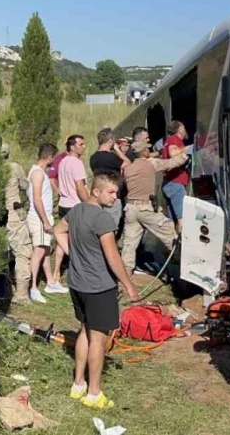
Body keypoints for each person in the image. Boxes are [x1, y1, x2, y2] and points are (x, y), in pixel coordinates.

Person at [52, 173, 140, 410]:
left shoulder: (77, 210)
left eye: (117, 193)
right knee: (98, 340)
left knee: (84, 331)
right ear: (96, 191)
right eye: (111, 192)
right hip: (99, 286)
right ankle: (94, 393)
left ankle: (78, 384)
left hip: (77, 283)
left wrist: (72, 254)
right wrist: (129, 285)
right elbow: (113, 257)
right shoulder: (102, 219)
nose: (115, 197)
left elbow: (57, 230)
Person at [119, 139, 188, 273]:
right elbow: (172, 163)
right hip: (146, 209)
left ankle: (124, 275)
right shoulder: (151, 164)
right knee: (170, 234)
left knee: (129, 245)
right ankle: (179, 263)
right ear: (144, 151)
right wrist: (186, 154)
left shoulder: (128, 169)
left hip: (130, 209)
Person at [27, 144, 64, 302]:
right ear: (49, 157)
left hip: (45, 216)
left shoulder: (40, 172)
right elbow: (37, 199)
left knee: (46, 250)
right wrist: (45, 221)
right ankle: (33, 287)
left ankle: (50, 281)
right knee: (39, 252)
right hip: (39, 217)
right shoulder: (37, 173)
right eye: (53, 158)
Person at [54, 135, 89, 289]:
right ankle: (79, 273)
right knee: (78, 241)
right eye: (81, 144)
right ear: (73, 147)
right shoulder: (76, 163)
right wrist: (89, 203)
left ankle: (56, 273)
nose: (84, 147)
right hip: (75, 204)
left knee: (62, 239)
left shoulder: (63, 161)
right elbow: (80, 187)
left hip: (63, 203)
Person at [2, 143, 31, 305]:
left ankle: (3, 291)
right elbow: (25, 186)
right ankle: (21, 295)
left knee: (0, 254)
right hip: (13, 213)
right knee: (22, 252)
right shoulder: (13, 167)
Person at [89, 128, 129, 224]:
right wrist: (117, 150)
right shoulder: (110, 157)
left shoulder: (93, 157)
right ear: (110, 140)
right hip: (112, 194)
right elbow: (128, 163)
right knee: (111, 224)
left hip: (99, 193)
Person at [161, 120, 190, 231]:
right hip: (175, 183)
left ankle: (172, 245)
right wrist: (187, 148)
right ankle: (183, 243)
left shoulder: (169, 140)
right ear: (180, 129)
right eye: (183, 127)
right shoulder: (174, 139)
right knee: (182, 218)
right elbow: (173, 153)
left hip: (170, 183)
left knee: (172, 219)